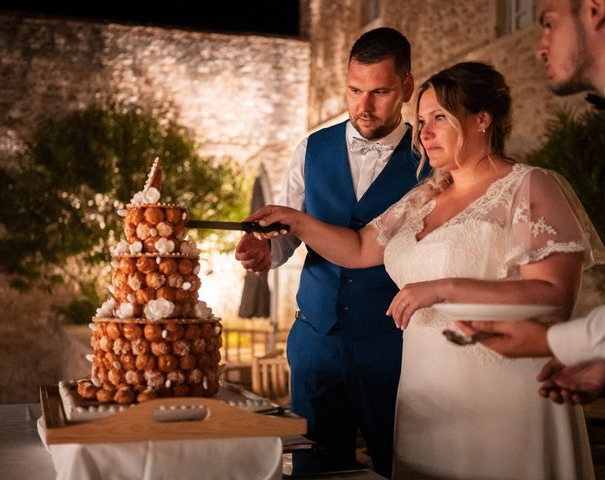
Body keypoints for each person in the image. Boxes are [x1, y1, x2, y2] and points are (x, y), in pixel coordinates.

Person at [247, 61, 598, 479]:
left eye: (439, 118)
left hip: (504, 383)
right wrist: (295, 220)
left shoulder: (531, 185)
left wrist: (445, 288)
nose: (425, 132)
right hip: (425, 385)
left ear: (482, 119)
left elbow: (554, 296)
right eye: (421, 120)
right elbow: (359, 248)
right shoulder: (424, 197)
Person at [235, 28, 420, 477]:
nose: (364, 105)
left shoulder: (428, 160)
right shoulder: (310, 149)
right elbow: (289, 233)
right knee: (314, 466)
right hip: (316, 342)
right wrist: (267, 253)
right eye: (355, 90)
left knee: (402, 464)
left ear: (407, 88)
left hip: (395, 347)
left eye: (379, 92)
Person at [456, 0, 605, 405]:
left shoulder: (532, 183)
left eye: (548, 23)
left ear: (594, 11)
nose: (540, 47)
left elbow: (553, 290)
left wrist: (556, 340)